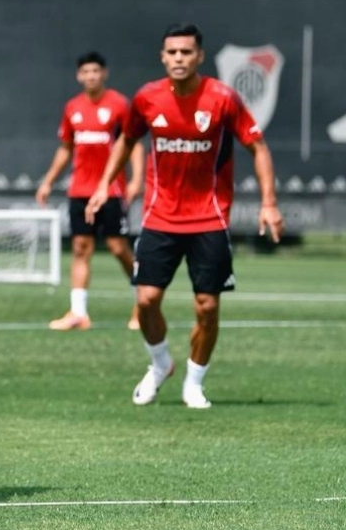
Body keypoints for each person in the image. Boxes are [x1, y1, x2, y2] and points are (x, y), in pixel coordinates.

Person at [86, 23, 283, 409]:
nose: (179, 58)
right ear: (163, 57)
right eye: (172, 52)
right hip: (159, 217)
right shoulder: (147, 98)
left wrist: (269, 202)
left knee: (207, 306)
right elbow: (126, 140)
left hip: (209, 218)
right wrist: (103, 185)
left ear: (199, 56)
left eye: (186, 52)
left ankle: (194, 383)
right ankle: (161, 364)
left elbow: (258, 147)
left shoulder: (222, 98)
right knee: (146, 300)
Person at [36, 51, 145, 331]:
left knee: (117, 247)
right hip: (80, 191)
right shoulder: (73, 107)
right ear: (79, 76)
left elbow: (133, 143)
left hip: (111, 190)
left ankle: (144, 302)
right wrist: (48, 181)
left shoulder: (119, 104)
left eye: (95, 71)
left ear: (104, 73)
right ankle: (78, 313)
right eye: (86, 72)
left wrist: (136, 180)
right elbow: (66, 148)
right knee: (80, 248)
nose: (91, 76)